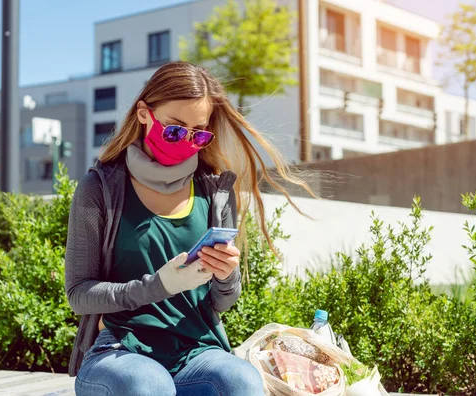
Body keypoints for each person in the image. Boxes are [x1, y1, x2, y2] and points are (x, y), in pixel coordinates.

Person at [65, 61, 313, 395]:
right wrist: (159, 285)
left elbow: (222, 302)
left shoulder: (215, 192)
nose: (186, 141)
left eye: (198, 133)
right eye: (175, 130)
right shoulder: (100, 189)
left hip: (196, 352)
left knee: (242, 381)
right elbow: (78, 294)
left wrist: (227, 276)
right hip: (121, 351)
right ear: (143, 114)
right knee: (149, 384)